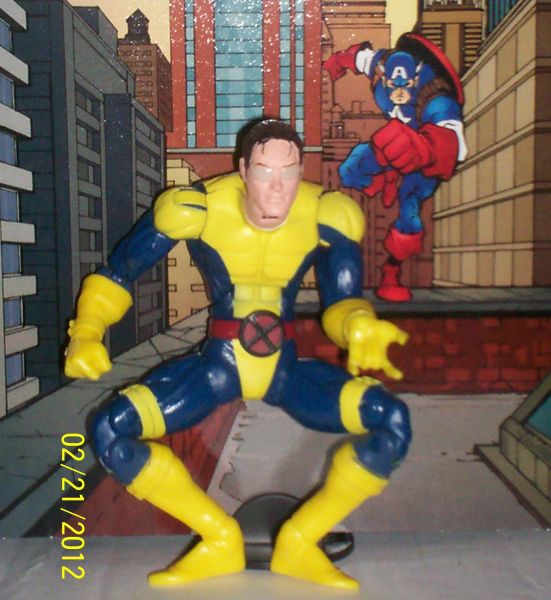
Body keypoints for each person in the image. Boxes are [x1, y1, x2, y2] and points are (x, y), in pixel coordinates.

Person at [65, 119, 411, 591]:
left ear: (302, 170)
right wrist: (88, 330)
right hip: (218, 367)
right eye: (265, 171)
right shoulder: (197, 208)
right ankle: (219, 536)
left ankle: (300, 541)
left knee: (392, 421)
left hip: (284, 369)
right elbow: (121, 271)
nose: (277, 188)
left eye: (289, 172)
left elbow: (342, 302)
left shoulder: (326, 215)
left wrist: (359, 326)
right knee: (110, 430)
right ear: (244, 169)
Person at [324, 32, 467, 301]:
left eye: (406, 85)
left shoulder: (436, 97)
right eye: (392, 84)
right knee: (349, 170)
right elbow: (357, 57)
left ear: (417, 77)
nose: (399, 92)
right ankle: (385, 179)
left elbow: (456, 145)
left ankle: (392, 272)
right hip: (391, 145)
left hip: (423, 159)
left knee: (409, 205)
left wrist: (424, 149)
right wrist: (336, 63)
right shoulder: (380, 65)